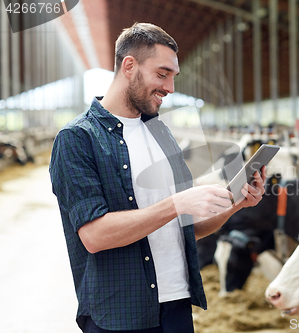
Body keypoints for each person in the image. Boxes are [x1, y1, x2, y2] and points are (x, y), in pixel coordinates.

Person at [49, 23, 266, 333]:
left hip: (176, 305)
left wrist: (234, 205)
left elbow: (185, 231)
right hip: (120, 312)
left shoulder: (161, 132)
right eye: (162, 74)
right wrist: (176, 203)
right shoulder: (78, 139)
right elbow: (94, 237)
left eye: (173, 77)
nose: (170, 88)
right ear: (129, 66)